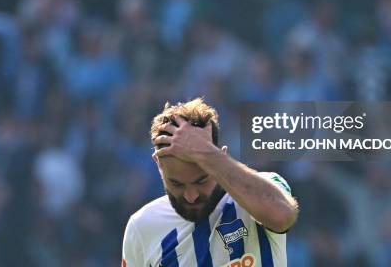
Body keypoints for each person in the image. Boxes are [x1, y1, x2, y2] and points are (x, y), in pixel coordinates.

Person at [122, 98, 299, 266]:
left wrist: (205, 152)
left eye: (202, 180)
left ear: (219, 157)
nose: (191, 196)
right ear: (159, 165)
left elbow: (283, 216)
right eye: (177, 184)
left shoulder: (261, 190)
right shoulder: (141, 226)